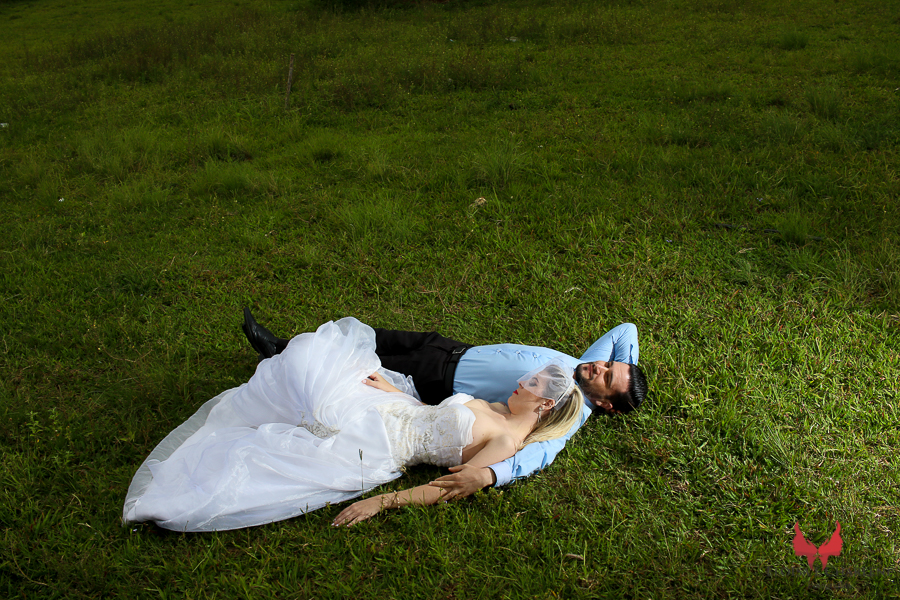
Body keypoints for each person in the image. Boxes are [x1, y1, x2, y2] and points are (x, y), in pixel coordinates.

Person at [122, 318, 584, 531]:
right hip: (394, 409)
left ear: (544, 406)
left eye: (533, 383)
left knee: (270, 457)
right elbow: (433, 414)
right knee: (312, 359)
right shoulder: (498, 409)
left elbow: (447, 487)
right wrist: (396, 392)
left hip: (380, 445)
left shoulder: (506, 440)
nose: (523, 382)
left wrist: (383, 503)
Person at [242, 309, 648, 500]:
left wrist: (490, 476)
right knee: (374, 337)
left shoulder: (571, 410)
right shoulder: (582, 368)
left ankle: (277, 352)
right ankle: (294, 346)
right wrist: (623, 374)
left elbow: (536, 454)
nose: (600, 367)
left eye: (607, 377)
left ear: (605, 405)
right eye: (609, 364)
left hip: (438, 380)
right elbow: (625, 328)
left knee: (361, 363)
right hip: (450, 348)